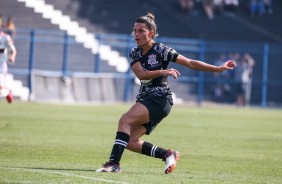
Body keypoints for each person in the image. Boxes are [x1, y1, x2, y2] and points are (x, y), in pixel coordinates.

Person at [96, 12, 236, 174]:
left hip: (160, 100)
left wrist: (218, 69)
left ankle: (114, 163)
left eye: (141, 30)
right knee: (129, 141)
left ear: (151, 33)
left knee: (125, 120)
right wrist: (163, 71)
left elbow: (190, 62)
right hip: (147, 100)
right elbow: (141, 74)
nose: (137, 34)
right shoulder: (134, 52)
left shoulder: (162, 50)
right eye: (135, 30)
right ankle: (168, 154)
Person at [0, 15, 17, 103]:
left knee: (0, 89)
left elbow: (13, 50)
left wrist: (12, 57)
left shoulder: (5, 38)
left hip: (1, 67)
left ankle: (7, 92)